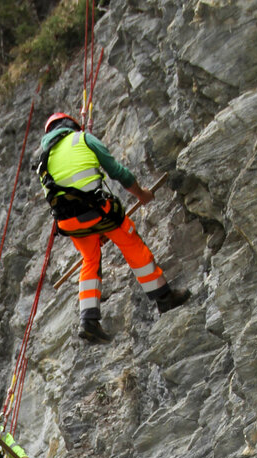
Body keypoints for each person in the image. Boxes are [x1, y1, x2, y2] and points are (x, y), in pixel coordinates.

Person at [35, 111, 189, 342]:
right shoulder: (82, 139)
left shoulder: (43, 161)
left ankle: (88, 322)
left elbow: (65, 195)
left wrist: (96, 230)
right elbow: (117, 172)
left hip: (68, 222)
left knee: (90, 259)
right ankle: (164, 297)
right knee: (130, 243)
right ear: (70, 126)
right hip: (97, 211)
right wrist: (141, 194)